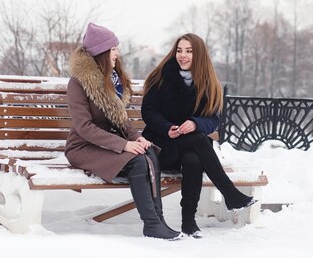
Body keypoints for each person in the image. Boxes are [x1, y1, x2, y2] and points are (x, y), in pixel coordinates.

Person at [65, 22, 181, 240]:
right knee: (137, 161)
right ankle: (151, 224)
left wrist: (137, 138)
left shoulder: (113, 80)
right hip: (83, 147)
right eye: (113, 49)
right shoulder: (78, 83)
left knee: (149, 153)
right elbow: (84, 127)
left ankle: (158, 219)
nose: (117, 53)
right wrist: (124, 145)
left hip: (109, 144)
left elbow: (119, 119)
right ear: (101, 52)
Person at [141, 33, 257, 238]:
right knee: (199, 140)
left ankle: (189, 223)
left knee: (193, 158)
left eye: (189, 51)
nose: (182, 56)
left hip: (190, 148)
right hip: (161, 146)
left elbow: (213, 120)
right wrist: (167, 127)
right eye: (179, 50)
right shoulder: (161, 77)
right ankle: (230, 194)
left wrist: (195, 123)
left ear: (199, 55)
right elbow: (148, 112)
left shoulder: (208, 83)